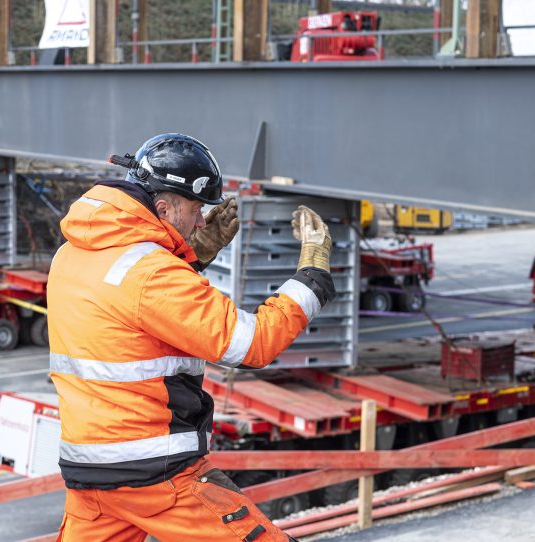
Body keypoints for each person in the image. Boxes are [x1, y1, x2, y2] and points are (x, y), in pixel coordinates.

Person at [46, 133, 336, 541]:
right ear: (163, 207)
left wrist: (193, 252)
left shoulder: (74, 252)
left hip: (90, 474)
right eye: (197, 209)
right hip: (156, 474)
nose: (202, 220)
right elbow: (252, 344)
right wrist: (314, 271)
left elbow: (131, 313)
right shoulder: (151, 273)